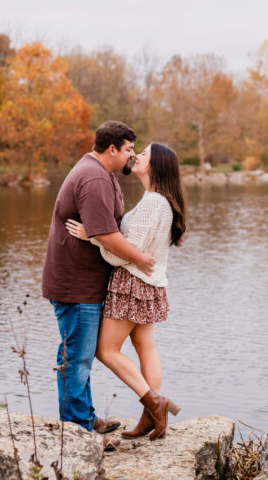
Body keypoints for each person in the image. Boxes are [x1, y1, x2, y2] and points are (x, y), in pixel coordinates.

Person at [41, 121, 156, 442]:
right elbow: (106, 234)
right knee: (76, 355)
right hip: (76, 284)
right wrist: (140, 257)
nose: (132, 156)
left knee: (80, 351)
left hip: (82, 282)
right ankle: (77, 429)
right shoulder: (93, 178)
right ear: (112, 149)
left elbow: (104, 230)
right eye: (129, 149)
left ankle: (85, 417)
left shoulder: (99, 173)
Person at [65, 142, 186, 440]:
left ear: (155, 165)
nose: (136, 156)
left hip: (132, 283)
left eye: (142, 154)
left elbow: (124, 254)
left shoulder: (152, 203)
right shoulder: (158, 200)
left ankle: (154, 404)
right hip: (150, 283)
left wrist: (92, 237)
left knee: (105, 350)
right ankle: (151, 416)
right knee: (145, 346)